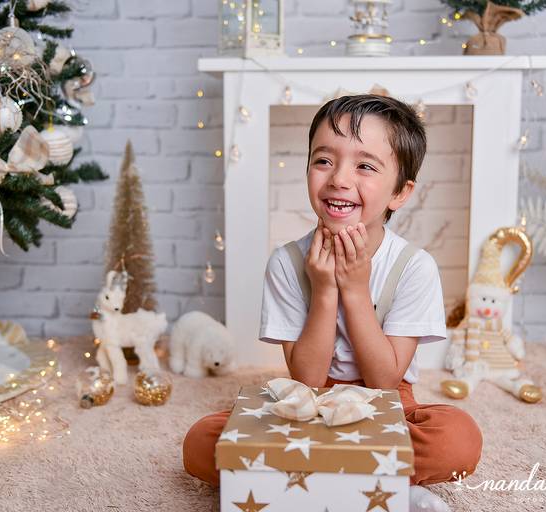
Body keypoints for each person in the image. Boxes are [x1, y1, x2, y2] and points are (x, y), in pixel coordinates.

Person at [182, 94, 483, 512]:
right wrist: (324, 290)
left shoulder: (414, 266)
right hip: (309, 405)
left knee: (458, 437)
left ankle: (309, 482)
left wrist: (356, 290)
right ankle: (375, 484)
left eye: (364, 166)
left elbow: (384, 380)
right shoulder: (287, 262)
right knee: (202, 442)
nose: (339, 179)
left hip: (388, 405)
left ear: (400, 192)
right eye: (324, 160)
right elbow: (304, 378)